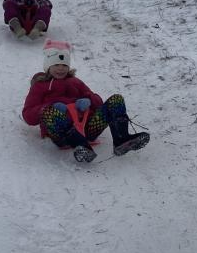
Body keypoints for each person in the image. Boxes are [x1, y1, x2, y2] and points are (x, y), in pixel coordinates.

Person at [21, 40, 150, 163]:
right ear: (48, 66)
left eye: (64, 65)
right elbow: (28, 115)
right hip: (61, 134)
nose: (61, 68)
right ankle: (80, 146)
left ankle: (121, 140)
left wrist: (88, 100)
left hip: (87, 129)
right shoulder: (40, 86)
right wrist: (50, 107)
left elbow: (98, 103)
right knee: (49, 112)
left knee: (116, 99)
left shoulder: (75, 82)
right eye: (56, 65)